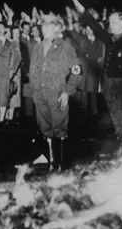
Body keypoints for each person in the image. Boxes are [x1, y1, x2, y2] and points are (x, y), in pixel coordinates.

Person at [72, 0, 122, 154]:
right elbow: (94, 24)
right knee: (115, 118)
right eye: (110, 21)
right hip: (108, 83)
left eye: (114, 21)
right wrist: (80, 7)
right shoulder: (109, 38)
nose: (110, 23)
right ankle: (121, 149)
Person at [29, 14, 83, 171]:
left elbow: (77, 71)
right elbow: (33, 71)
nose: (44, 28)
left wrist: (67, 92)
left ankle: (60, 165)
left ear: (56, 27)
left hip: (57, 94)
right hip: (40, 95)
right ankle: (51, 162)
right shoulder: (37, 48)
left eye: (48, 25)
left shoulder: (65, 48)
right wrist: (35, 92)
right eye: (43, 25)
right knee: (45, 128)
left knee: (59, 129)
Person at [0, 21, 21, 125]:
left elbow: (18, 57)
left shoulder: (10, 43)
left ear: (5, 29)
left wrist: (13, 70)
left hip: (5, 73)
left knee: (4, 97)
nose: (1, 29)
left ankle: (1, 120)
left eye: (2, 27)